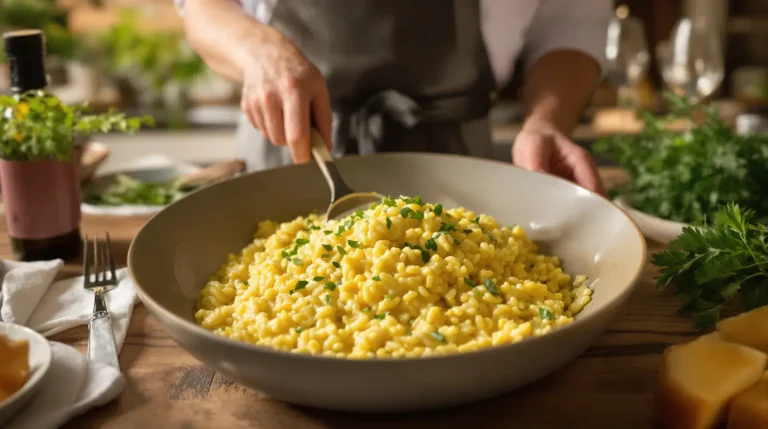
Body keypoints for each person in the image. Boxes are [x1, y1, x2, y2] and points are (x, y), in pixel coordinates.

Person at [177, 0, 609, 195]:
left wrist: (547, 121)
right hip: (288, 148)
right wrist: (258, 51)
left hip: (463, 166)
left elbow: (569, 22)